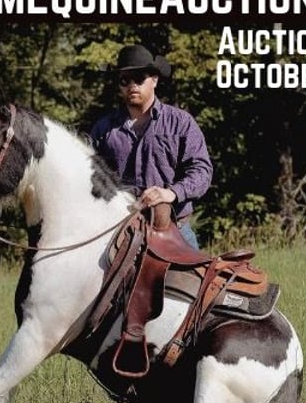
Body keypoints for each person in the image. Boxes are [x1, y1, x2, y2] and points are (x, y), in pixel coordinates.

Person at [90, 44, 213, 249]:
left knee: (198, 271)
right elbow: (89, 176)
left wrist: (172, 193)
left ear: (154, 80)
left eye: (139, 78)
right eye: (124, 80)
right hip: (119, 231)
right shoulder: (103, 129)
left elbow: (202, 170)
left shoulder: (181, 122)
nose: (132, 85)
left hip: (174, 229)